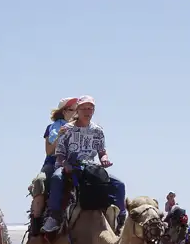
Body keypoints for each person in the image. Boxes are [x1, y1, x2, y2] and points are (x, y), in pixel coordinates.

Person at [42, 95, 127, 233]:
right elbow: (59, 154)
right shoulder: (67, 129)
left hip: (90, 167)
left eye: (91, 108)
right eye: (84, 108)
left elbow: (102, 151)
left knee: (119, 184)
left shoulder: (97, 130)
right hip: (69, 165)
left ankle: (121, 219)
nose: (88, 111)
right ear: (78, 110)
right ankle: (54, 216)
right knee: (57, 178)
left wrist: (104, 159)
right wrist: (65, 164)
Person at [29, 97, 77, 234]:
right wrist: (60, 135)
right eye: (72, 110)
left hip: (75, 162)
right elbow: (49, 151)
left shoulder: (83, 127)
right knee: (40, 181)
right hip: (52, 162)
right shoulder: (52, 128)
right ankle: (36, 223)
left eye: (77, 110)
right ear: (64, 111)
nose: (76, 113)